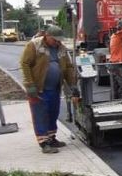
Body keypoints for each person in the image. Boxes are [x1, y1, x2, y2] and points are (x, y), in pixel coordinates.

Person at [20, 25, 79, 153]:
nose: (57, 42)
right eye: (55, 39)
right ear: (47, 36)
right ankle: (44, 142)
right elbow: (25, 64)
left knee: (53, 113)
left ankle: (52, 138)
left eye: (59, 40)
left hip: (54, 88)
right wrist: (30, 85)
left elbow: (68, 67)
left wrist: (73, 84)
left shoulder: (61, 48)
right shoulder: (34, 45)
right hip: (39, 89)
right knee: (40, 115)